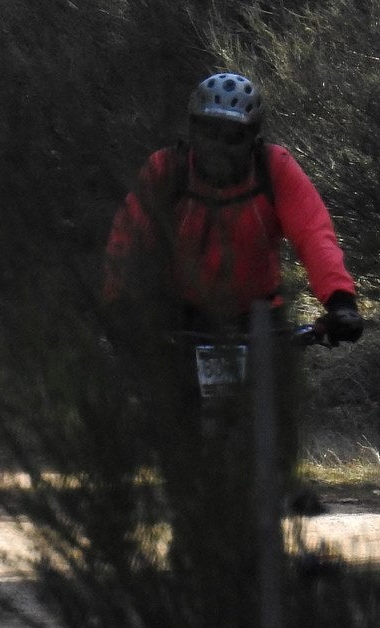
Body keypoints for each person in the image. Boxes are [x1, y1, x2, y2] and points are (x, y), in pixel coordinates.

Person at [101, 72, 363, 570]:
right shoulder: (167, 171)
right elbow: (127, 238)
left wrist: (340, 299)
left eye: (234, 135)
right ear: (192, 131)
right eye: (209, 131)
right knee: (176, 426)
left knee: (274, 421)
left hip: (260, 318)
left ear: (254, 137)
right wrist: (119, 305)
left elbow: (314, 232)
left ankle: (268, 513)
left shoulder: (275, 170)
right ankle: (188, 521)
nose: (220, 146)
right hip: (185, 317)